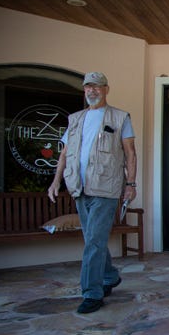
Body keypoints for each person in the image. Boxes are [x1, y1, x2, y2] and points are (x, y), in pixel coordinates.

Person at [47, 72, 137, 313]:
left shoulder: (119, 117)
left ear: (106, 89)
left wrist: (130, 184)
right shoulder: (75, 119)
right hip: (79, 187)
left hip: (106, 188)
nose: (91, 91)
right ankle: (109, 275)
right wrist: (56, 181)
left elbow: (130, 153)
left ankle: (92, 293)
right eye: (88, 87)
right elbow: (65, 153)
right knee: (93, 240)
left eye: (96, 86)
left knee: (94, 241)